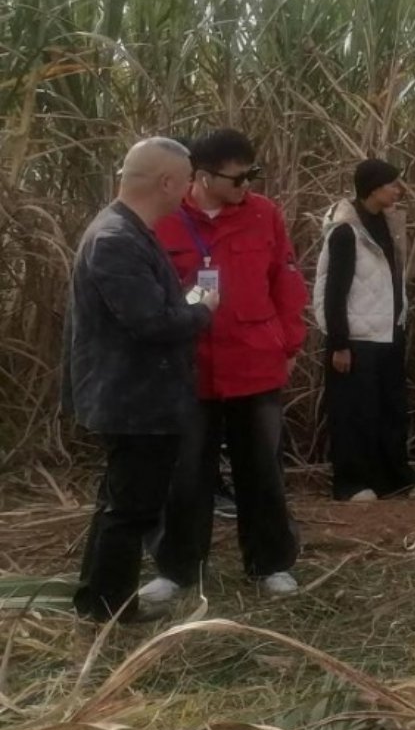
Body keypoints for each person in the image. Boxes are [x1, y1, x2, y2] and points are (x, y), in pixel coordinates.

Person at [139, 129, 306, 605]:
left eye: (254, 174)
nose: (247, 185)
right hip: (190, 367)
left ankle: (270, 563)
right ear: (203, 177)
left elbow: (285, 280)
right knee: (186, 472)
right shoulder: (165, 218)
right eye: (238, 177)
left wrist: (289, 342)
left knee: (262, 469)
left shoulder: (264, 214)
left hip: (254, 362)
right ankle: (177, 568)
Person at [64, 138, 217, 622]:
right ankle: (111, 609)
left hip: (133, 396)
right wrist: (201, 310)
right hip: (134, 400)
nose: (189, 191)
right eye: (186, 181)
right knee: (130, 509)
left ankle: (99, 599)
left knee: (119, 503)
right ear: (167, 182)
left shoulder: (126, 231)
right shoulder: (116, 240)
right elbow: (150, 322)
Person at [312, 158, 415, 502]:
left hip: (388, 331)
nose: (398, 190)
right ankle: (351, 482)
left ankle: (395, 477)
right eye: (392, 184)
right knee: (354, 411)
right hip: (356, 337)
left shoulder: (386, 224)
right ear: (373, 187)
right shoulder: (345, 231)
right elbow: (333, 290)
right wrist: (339, 342)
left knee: (391, 409)